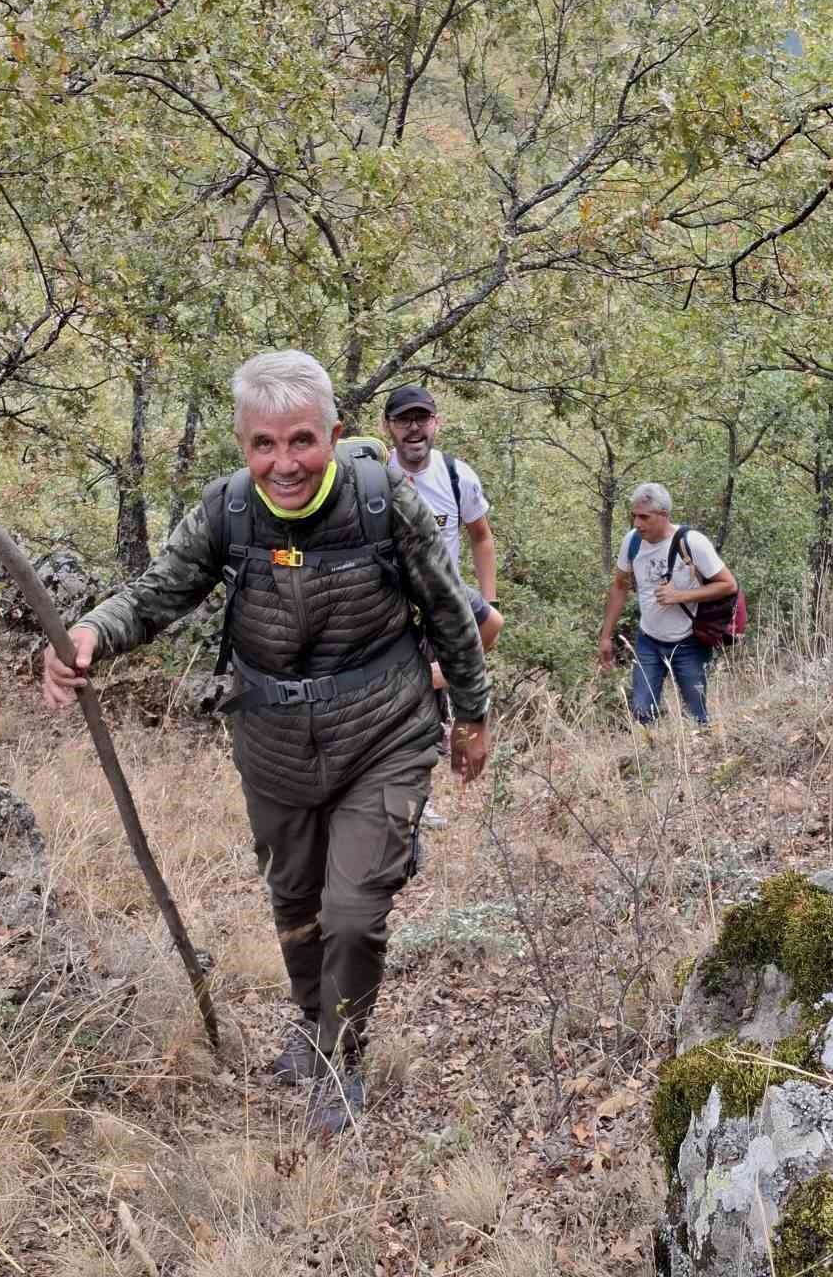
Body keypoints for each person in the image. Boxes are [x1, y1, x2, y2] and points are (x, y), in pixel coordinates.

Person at [42, 351, 490, 1136]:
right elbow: (155, 595)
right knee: (295, 898)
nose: (284, 463)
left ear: (334, 434)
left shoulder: (385, 503)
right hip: (272, 740)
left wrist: (473, 718)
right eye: (264, 445)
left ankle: (340, 1057)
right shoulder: (229, 512)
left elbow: (451, 612)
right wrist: (88, 633)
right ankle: (310, 1017)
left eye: (301, 441)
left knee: (352, 911)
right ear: (243, 443)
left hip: (384, 730)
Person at [382, 384, 502, 826]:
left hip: (442, 605)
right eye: (403, 420)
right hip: (389, 608)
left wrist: (486, 600)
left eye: (421, 418)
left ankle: (416, 798)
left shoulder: (457, 476)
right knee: (405, 710)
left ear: (436, 422)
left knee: (490, 628)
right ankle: (408, 799)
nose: (413, 428)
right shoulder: (375, 475)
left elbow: (481, 536)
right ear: (389, 428)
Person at [597, 482, 737, 727]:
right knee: (641, 713)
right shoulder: (632, 542)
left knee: (697, 716)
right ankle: (651, 760)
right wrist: (605, 636)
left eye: (644, 517)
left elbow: (728, 584)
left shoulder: (692, 542)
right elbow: (620, 586)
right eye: (634, 516)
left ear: (663, 515)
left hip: (689, 643)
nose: (637, 523)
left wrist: (680, 596)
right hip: (648, 641)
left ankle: (695, 760)